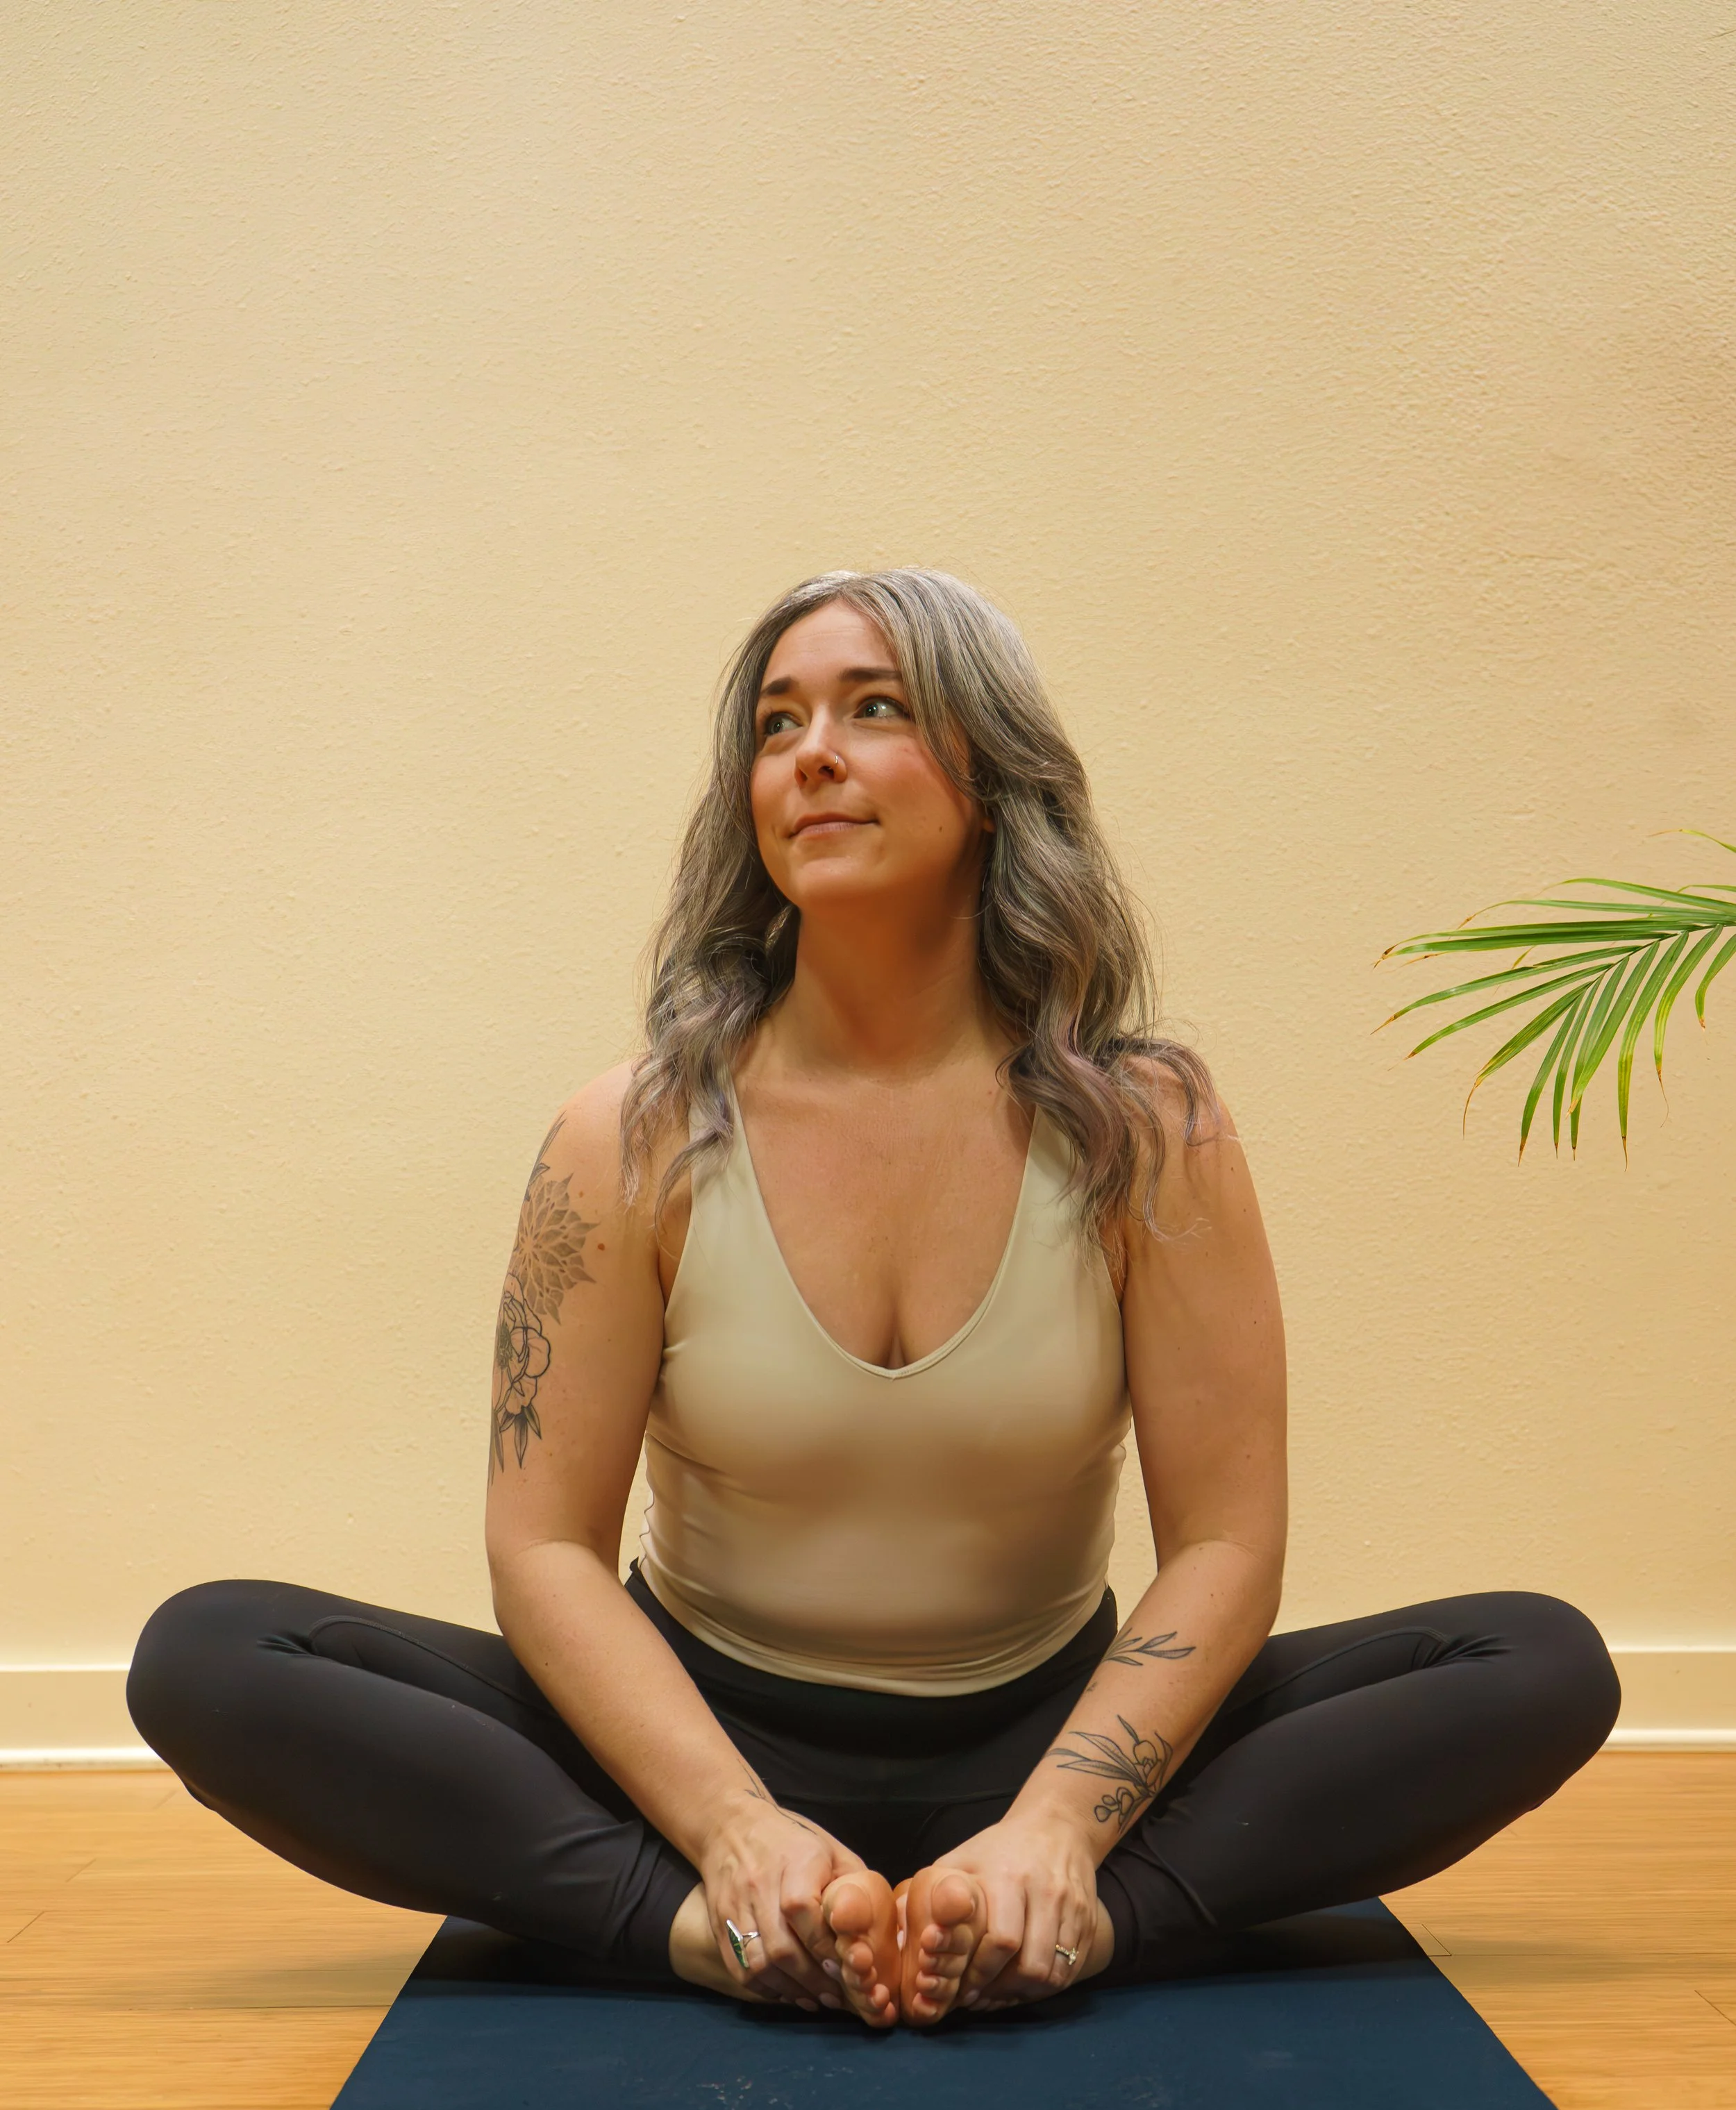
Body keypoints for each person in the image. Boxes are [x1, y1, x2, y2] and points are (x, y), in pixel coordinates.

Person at [128, 568, 1620, 2029]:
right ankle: (704, 1929)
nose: (812, 754)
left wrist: (1061, 1831)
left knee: (1533, 1663)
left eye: (872, 707)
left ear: (992, 776)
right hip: (688, 1747)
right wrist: (726, 1831)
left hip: (1041, 1735)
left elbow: (1225, 1541)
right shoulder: (628, 1135)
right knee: (211, 1655)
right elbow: (541, 1552)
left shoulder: (1143, 1126)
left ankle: (1075, 1916)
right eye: (775, 725)